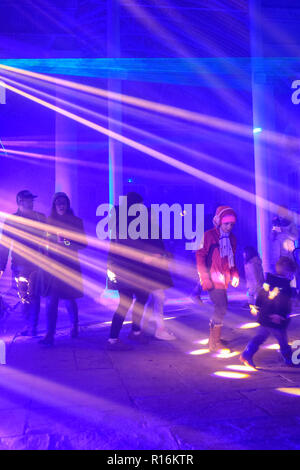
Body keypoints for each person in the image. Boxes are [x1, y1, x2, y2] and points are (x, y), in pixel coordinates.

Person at [107, 192, 165, 348]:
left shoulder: (120, 220)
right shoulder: (140, 220)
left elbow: (113, 247)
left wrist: (111, 268)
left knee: (129, 302)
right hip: (136, 270)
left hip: (126, 270)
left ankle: (121, 335)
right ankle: (129, 334)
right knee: (136, 302)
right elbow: (156, 241)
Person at [39, 192, 86, 346]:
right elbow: (44, 243)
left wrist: (65, 242)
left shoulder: (75, 222)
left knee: (69, 299)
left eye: (63, 202)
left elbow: (82, 244)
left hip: (69, 266)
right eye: (58, 202)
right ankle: (50, 334)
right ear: (54, 205)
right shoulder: (49, 222)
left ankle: (74, 326)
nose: (60, 205)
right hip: (52, 268)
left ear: (67, 204)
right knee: (51, 300)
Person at [0, 190, 46, 336]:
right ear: (20, 202)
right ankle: (29, 325)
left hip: (35, 264)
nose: (32, 203)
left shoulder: (40, 218)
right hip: (20, 264)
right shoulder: (12, 220)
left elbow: (48, 241)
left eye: (32, 200)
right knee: (24, 296)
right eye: (29, 200)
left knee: (34, 296)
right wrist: (1, 266)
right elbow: (5, 245)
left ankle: (31, 326)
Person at [240, 256, 298, 368]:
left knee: (260, 336)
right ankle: (289, 359)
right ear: (287, 272)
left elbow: (261, 294)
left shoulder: (268, 282)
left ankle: (247, 353)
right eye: (291, 273)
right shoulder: (284, 285)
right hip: (276, 319)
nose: (292, 276)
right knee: (283, 340)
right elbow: (282, 302)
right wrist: (279, 315)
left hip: (265, 317)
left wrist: (257, 307)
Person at [196, 205, 239, 351]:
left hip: (224, 278)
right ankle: (215, 342)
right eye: (226, 223)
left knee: (220, 308)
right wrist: (205, 278)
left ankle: (213, 341)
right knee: (221, 307)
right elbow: (200, 256)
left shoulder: (232, 239)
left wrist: (234, 273)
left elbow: (231, 259)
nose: (229, 227)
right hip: (213, 277)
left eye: (232, 224)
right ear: (219, 221)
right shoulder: (208, 235)